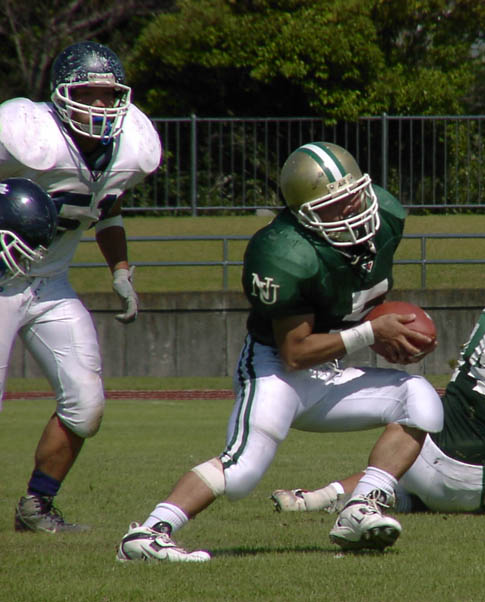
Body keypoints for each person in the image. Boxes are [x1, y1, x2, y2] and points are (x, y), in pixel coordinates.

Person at [116, 141, 444, 562]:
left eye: (353, 197)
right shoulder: (283, 250)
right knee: (241, 471)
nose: (351, 211)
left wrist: (388, 330)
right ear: (304, 215)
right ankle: (146, 534)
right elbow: (295, 352)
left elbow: (354, 294)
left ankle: (360, 508)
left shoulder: (387, 215)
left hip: (329, 370)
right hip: (275, 369)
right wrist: (370, 331)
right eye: (333, 206)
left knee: (419, 399)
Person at [271, 237, 485, 517]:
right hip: (467, 479)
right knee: (481, 484)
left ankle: (315, 499)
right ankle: (381, 498)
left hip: (431, 451)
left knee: (401, 471)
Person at [0, 41, 161, 532]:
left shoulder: (130, 149)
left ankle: (36, 507)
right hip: (1, 283)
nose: (100, 106)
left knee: (86, 406)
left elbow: (106, 205)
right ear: (61, 94)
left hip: (50, 283)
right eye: (88, 95)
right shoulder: (28, 136)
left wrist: (120, 270)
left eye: (108, 96)